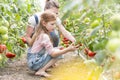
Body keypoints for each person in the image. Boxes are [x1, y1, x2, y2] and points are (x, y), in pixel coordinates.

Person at [26, 11, 79, 77]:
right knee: (59, 54)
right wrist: (68, 49)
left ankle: (42, 68)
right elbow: (53, 54)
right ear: (44, 23)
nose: (54, 27)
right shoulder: (44, 36)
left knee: (59, 49)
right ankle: (41, 70)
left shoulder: (39, 32)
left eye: (55, 24)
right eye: (52, 24)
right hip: (34, 63)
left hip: (33, 60)